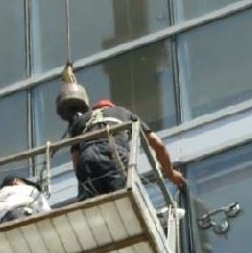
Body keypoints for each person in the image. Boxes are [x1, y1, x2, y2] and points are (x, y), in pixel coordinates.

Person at [55, 64, 186, 201]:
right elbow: (158, 144)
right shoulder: (123, 112)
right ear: (111, 107)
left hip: (88, 159)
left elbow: (76, 159)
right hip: (115, 155)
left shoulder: (82, 121)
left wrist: (84, 181)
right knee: (125, 201)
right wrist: (170, 173)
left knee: (90, 202)